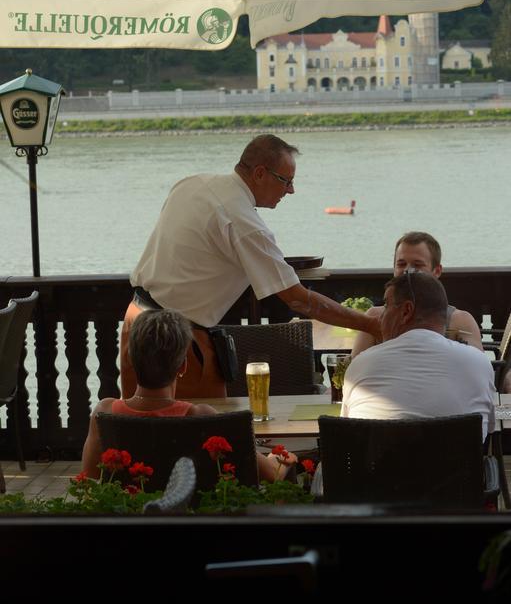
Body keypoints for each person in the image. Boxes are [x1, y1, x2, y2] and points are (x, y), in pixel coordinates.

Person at [121, 133, 381, 399]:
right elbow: (299, 300)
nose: (291, 190)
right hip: (177, 341)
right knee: (202, 433)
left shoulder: (191, 184)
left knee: (134, 428)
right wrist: (371, 325)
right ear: (259, 173)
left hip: (135, 322)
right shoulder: (244, 224)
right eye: (286, 181)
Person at [82, 308, 296, 483]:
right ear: (183, 366)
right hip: (190, 519)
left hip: (132, 521)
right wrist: (282, 458)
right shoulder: (200, 415)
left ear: (129, 360)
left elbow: (91, 477)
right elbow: (270, 474)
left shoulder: (105, 412)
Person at [342, 272, 495, 439]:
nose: (381, 316)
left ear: (406, 311)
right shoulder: (479, 362)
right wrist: (507, 412)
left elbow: (348, 429)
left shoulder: (361, 364)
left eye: (386, 305)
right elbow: (491, 424)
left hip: (381, 464)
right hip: (455, 465)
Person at [350, 231, 483, 356]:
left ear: (436, 271)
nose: (407, 271)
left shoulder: (460, 321)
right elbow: (352, 367)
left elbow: (477, 369)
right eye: (401, 264)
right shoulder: (374, 316)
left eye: (417, 265)